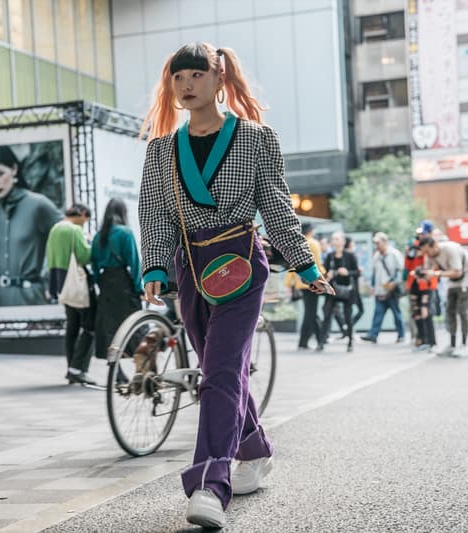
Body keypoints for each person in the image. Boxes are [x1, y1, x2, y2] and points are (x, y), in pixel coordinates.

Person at [137, 42, 334, 528]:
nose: (185, 85)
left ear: (219, 79)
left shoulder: (256, 138)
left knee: (221, 372)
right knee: (217, 369)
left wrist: (306, 266)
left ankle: (209, 483)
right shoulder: (160, 149)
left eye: (196, 74)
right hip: (190, 270)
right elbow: (155, 215)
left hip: (242, 264)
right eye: (177, 77)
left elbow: (276, 206)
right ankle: (255, 446)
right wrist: (155, 269)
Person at [0, 145, 62, 306]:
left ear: (14, 169)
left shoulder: (38, 205)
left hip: (32, 299)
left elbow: (70, 237)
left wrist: (53, 283)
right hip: (0, 303)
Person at [46, 203, 97, 385]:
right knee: (89, 326)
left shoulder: (55, 229)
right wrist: (91, 243)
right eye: (86, 219)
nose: (84, 223)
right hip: (77, 284)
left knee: (72, 328)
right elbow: (83, 257)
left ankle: (71, 369)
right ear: (82, 214)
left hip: (61, 285)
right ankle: (78, 369)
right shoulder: (74, 230)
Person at [91, 198, 143, 360]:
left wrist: (101, 283)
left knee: (110, 328)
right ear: (123, 213)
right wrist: (138, 287)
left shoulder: (99, 236)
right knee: (132, 324)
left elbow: (94, 265)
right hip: (123, 283)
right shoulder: (125, 233)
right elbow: (134, 263)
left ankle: (116, 371)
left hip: (106, 283)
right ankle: (140, 369)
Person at [420, 237, 468, 357]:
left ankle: (464, 345)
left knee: (462, 311)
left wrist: (436, 274)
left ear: (435, 246)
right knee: (450, 310)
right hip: (453, 281)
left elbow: (457, 271)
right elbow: (429, 270)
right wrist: (424, 274)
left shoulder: (450, 249)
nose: (426, 254)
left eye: (427, 251)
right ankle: (452, 344)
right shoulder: (430, 255)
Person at [286, 222, 326, 351]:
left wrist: (289, 283)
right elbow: (317, 264)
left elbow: (292, 264)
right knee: (311, 312)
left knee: (310, 312)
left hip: (301, 283)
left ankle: (304, 341)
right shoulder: (314, 244)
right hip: (313, 281)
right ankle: (320, 339)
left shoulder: (298, 243)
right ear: (311, 231)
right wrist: (323, 276)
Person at [361, 232, 405, 344]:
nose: (377, 245)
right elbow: (375, 273)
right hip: (380, 290)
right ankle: (373, 335)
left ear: (385, 242)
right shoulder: (377, 256)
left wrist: (394, 283)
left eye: (378, 243)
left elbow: (400, 271)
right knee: (378, 314)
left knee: (396, 314)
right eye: (375, 243)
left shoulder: (394, 254)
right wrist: (372, 286)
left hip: (391, 290)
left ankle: (401, 335)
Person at [322, 231, 359, 352]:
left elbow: (357, 272)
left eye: (337, 239)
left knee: (348, 315)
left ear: (343, 242)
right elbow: (325, 274)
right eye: (333, 239)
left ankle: (349, 342)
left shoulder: (350, 255)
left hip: (347, 290)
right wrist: (329, 275)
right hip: (333, 290)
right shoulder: (329, 256)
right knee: (327, 314)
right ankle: (321, 341)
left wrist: (347, 272)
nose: (335, 241)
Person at [406, 239, 437, 351]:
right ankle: (421, 339)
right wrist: (409, 255)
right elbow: (408, 267)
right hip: (414, 285)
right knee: (416, 313)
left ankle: (431, 341)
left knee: (425, 312)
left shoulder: (428, 256)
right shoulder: (412, 255)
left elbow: (432, 269)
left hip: (425, 285)